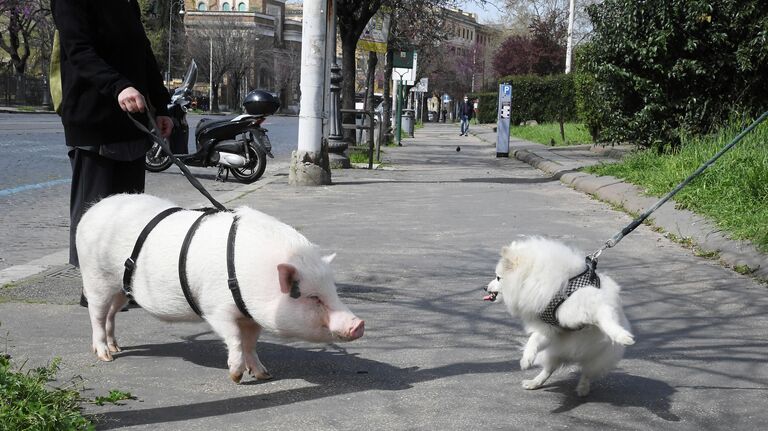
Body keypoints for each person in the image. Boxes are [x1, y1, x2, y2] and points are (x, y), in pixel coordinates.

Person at [51, 0, 173, 304]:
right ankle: (93, 290)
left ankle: (124, 284)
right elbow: (78, 50)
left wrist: (161, 105)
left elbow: (143, 53)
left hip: (132, 121)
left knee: (130, 211)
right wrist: (118, 86)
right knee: (96, 212)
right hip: (92, 118)